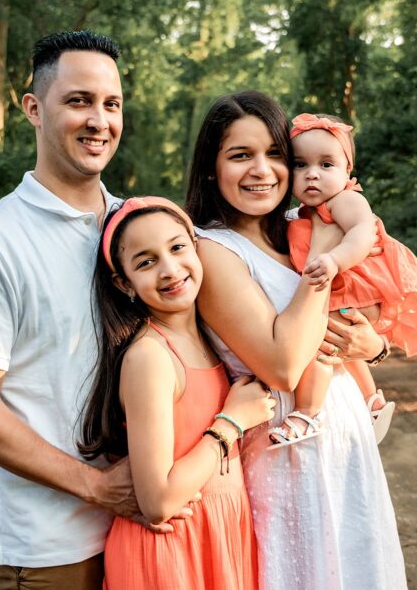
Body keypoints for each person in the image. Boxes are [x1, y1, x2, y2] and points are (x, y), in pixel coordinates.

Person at [0, 31, 188, 589]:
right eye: (79, 101)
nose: (100, 120)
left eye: (112, 104)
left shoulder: (139, 230)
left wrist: (363, 339)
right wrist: (97, 487)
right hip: (53, 545)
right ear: (34, 109)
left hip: (153, 533)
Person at [186, 91, 408, 589]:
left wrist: (373, 347)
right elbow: (284, 364)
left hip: (346, 443)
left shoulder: (296, 231)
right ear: (210, 169)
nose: (262, 170)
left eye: (274, 155)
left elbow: (353, 318)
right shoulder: (213, 250)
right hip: (288, 456)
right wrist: (329, 248)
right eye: (240, 155)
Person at [78, 196, 274, 589]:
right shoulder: (150, 357)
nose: (169, 269)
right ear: (124, 283)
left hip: (221, 532)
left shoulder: (211, 337)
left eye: (177, 247)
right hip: (171, 552)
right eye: (146, 262)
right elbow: (158, 501)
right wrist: (232, 422)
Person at [272, 112, 417, 447]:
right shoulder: (303, 214)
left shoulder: (345, 200)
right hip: (344, 286)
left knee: (322, 344)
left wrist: (334, 260)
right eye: (300, 165)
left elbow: (363, 234)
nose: (312, 175)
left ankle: (308, 413)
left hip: (357, 284)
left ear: (348, 171)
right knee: (341, 347)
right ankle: (371, 400)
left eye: (326, 165)